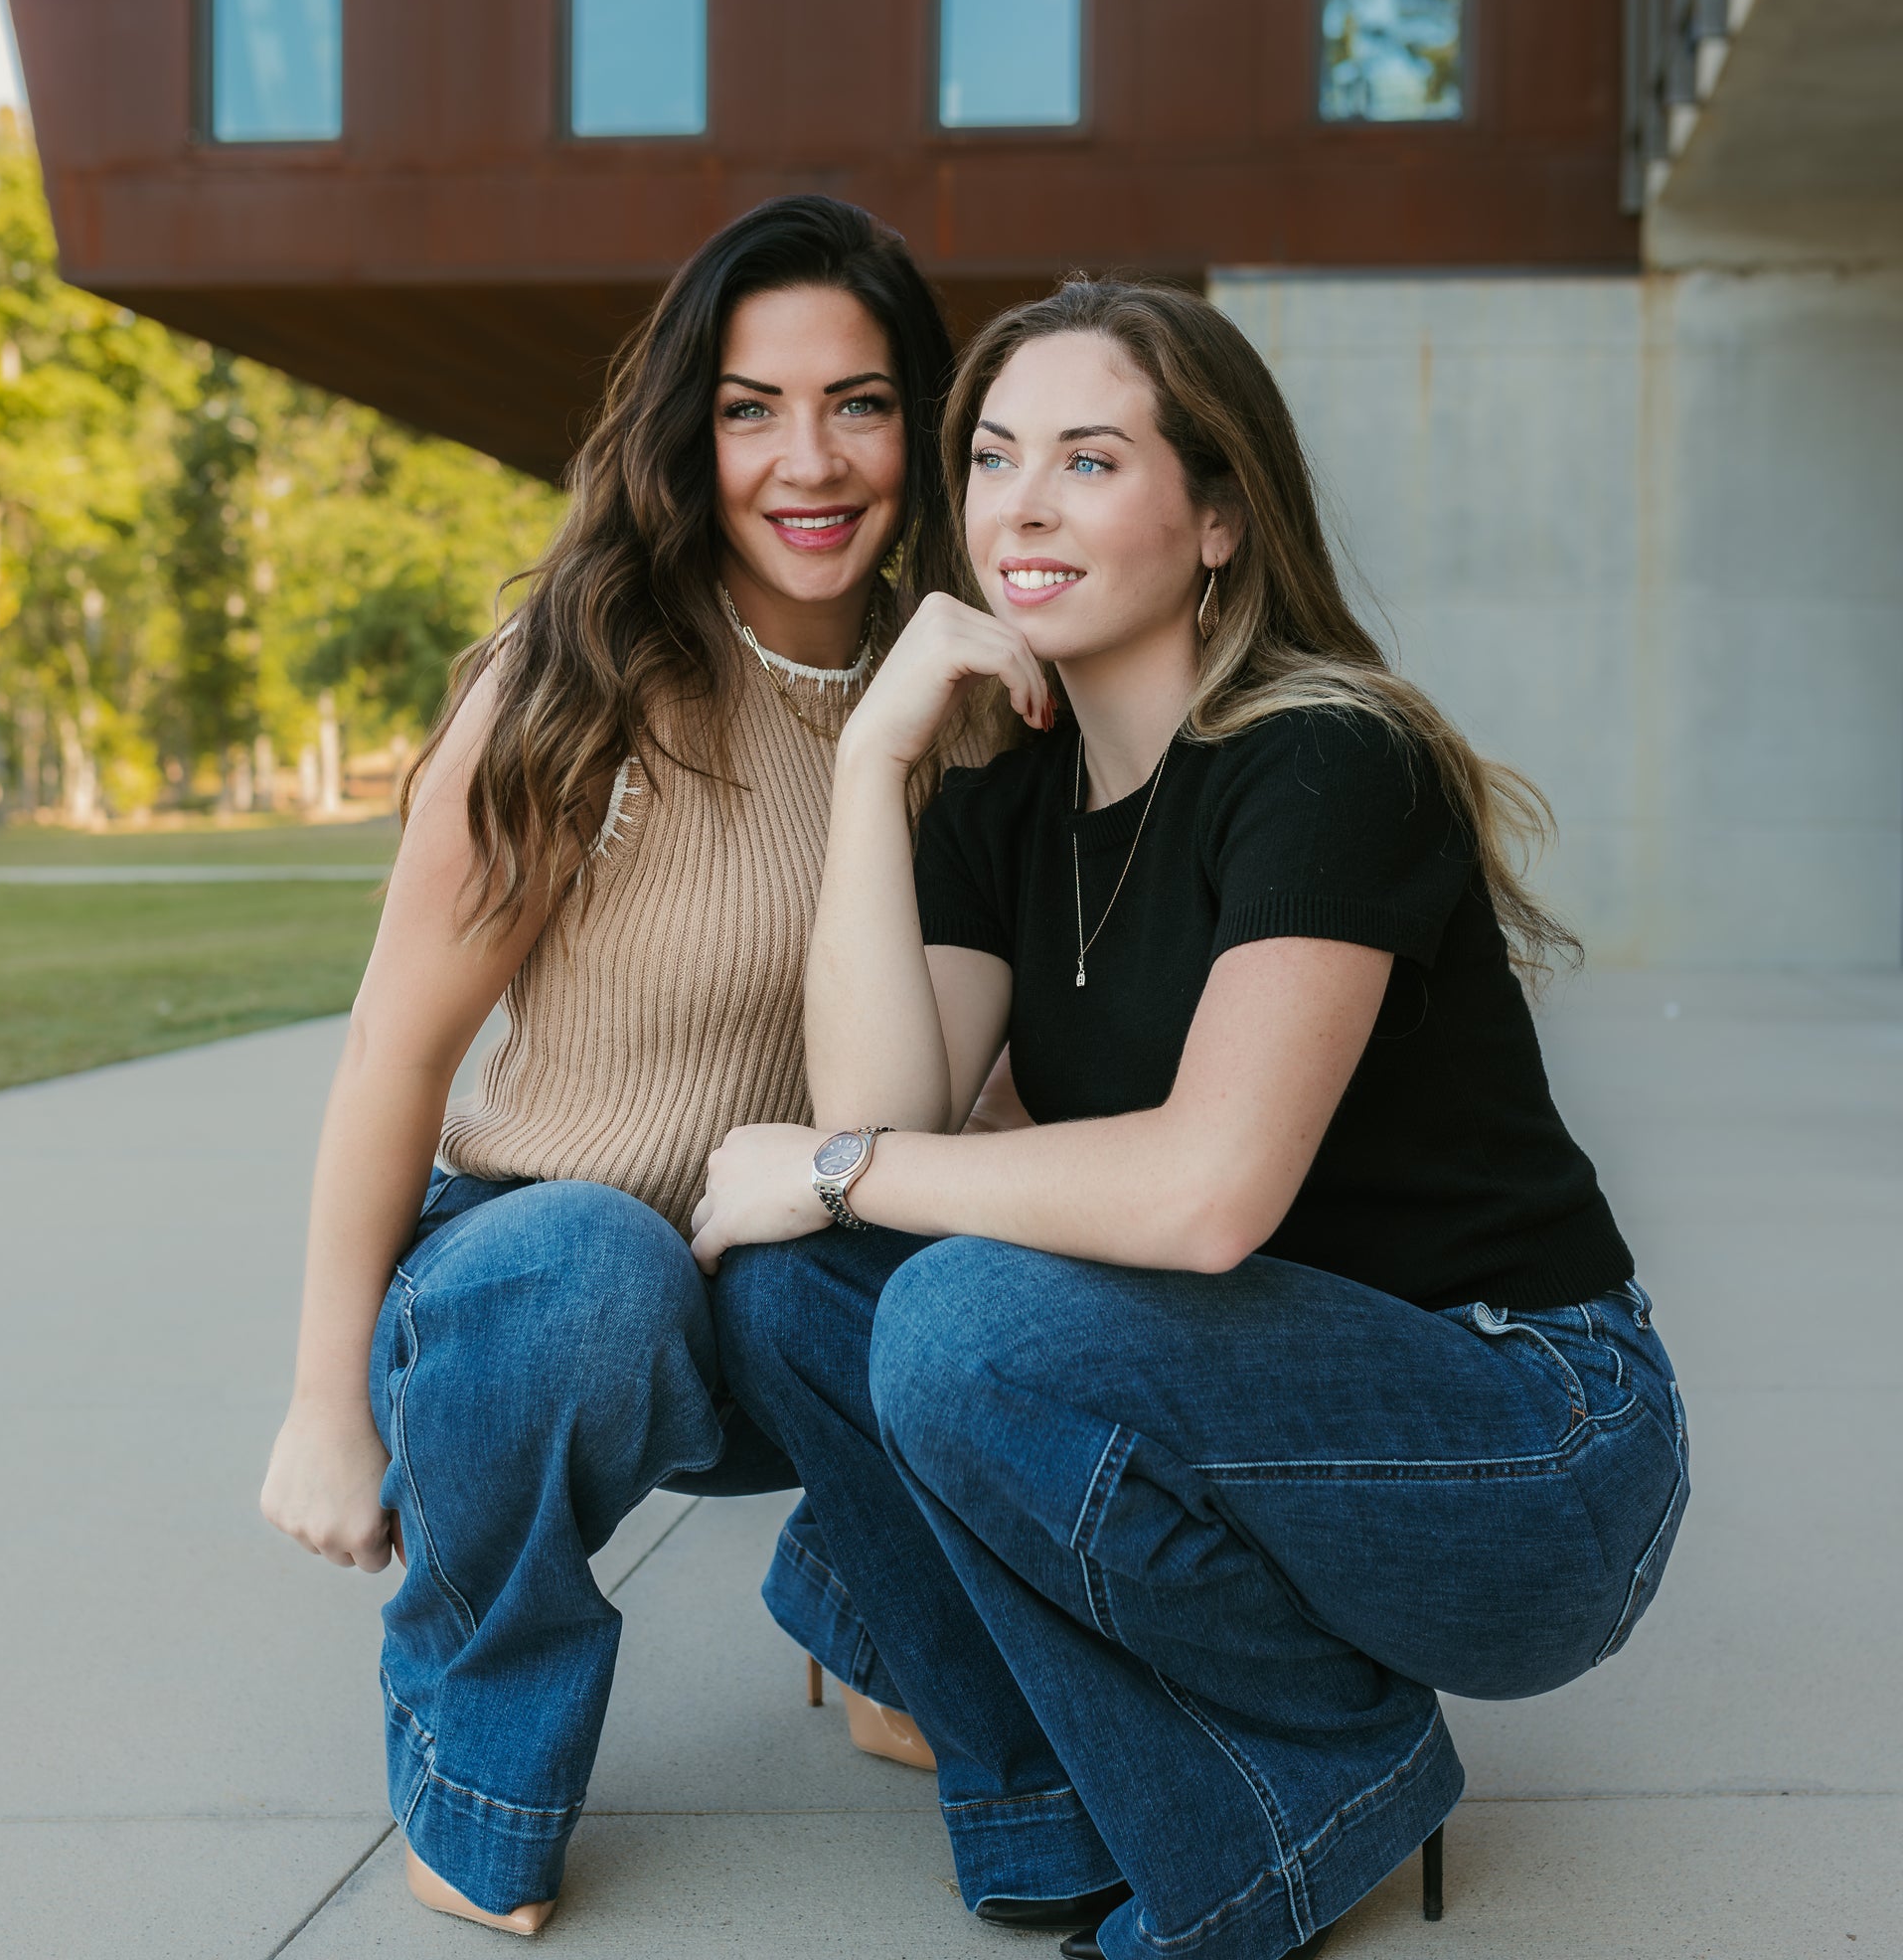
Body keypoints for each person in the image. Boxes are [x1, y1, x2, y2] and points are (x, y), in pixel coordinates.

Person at [696, 278, 1690, 1960]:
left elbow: (1210, 1194)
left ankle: (1306, 1787)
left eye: (1090, 460)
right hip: (1256, 1397)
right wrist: (872, 759)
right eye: (997, 456)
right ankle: (1052, 1801)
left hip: (1526, 1440)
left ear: (1219, 514)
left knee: (948, 1309)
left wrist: (841, 1168)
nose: (1021, 501)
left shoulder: (1327, 758)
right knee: (797, 1295)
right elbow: (879, 1126)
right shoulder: (1003, 794)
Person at [256, 195, 971, 1934]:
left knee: (988, 1250)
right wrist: (321, 1406)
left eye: (860, 402)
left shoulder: (955, 690)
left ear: (921, 426)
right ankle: (475, 1733)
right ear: (685, 432)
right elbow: (394, 1048)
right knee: (591, 1260)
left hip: (794, 1291)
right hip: (542, 1295)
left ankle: (873, 1622)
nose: (811, 459)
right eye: (749, 408)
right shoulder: (579, 683)